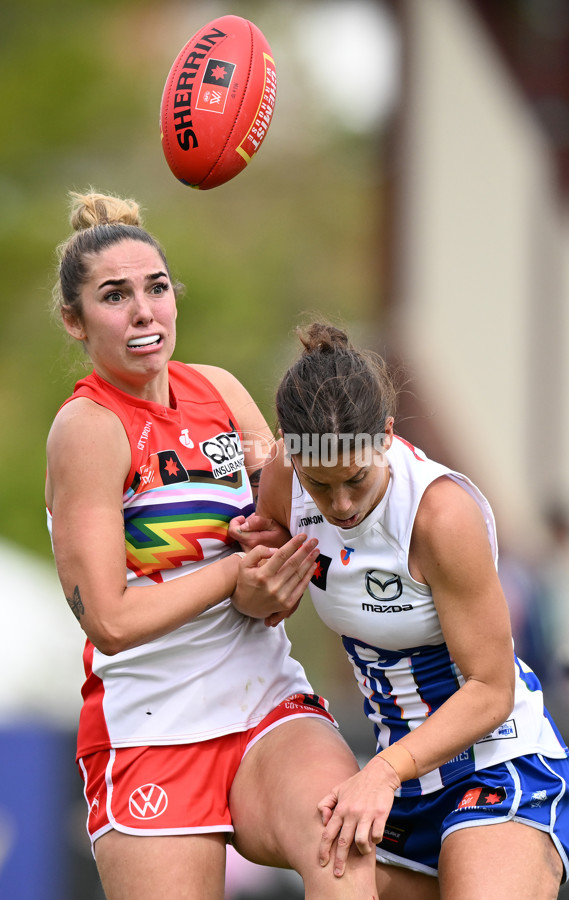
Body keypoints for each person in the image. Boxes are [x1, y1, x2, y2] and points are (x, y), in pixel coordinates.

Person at [45, 194, 379, 900]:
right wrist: (235, 576)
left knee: (344, 851)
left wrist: (277, 574)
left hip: (266, 708)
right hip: (151, 728)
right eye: (115, 296)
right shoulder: (88, 429)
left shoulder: (220, 392)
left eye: (156, 288)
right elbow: (110, 620)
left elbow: (288, 516)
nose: (143, 311)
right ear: (75, 321)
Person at [229, 322, 569, 900]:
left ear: (387, 435)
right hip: (399, 784)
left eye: (356, 479)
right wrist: (258, 588)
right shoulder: (286, 476)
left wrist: (385, 770)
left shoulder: (440, 516)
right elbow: (261, 596)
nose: (341, 504)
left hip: (495, 761)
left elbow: (491, 689)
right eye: (322, 485)